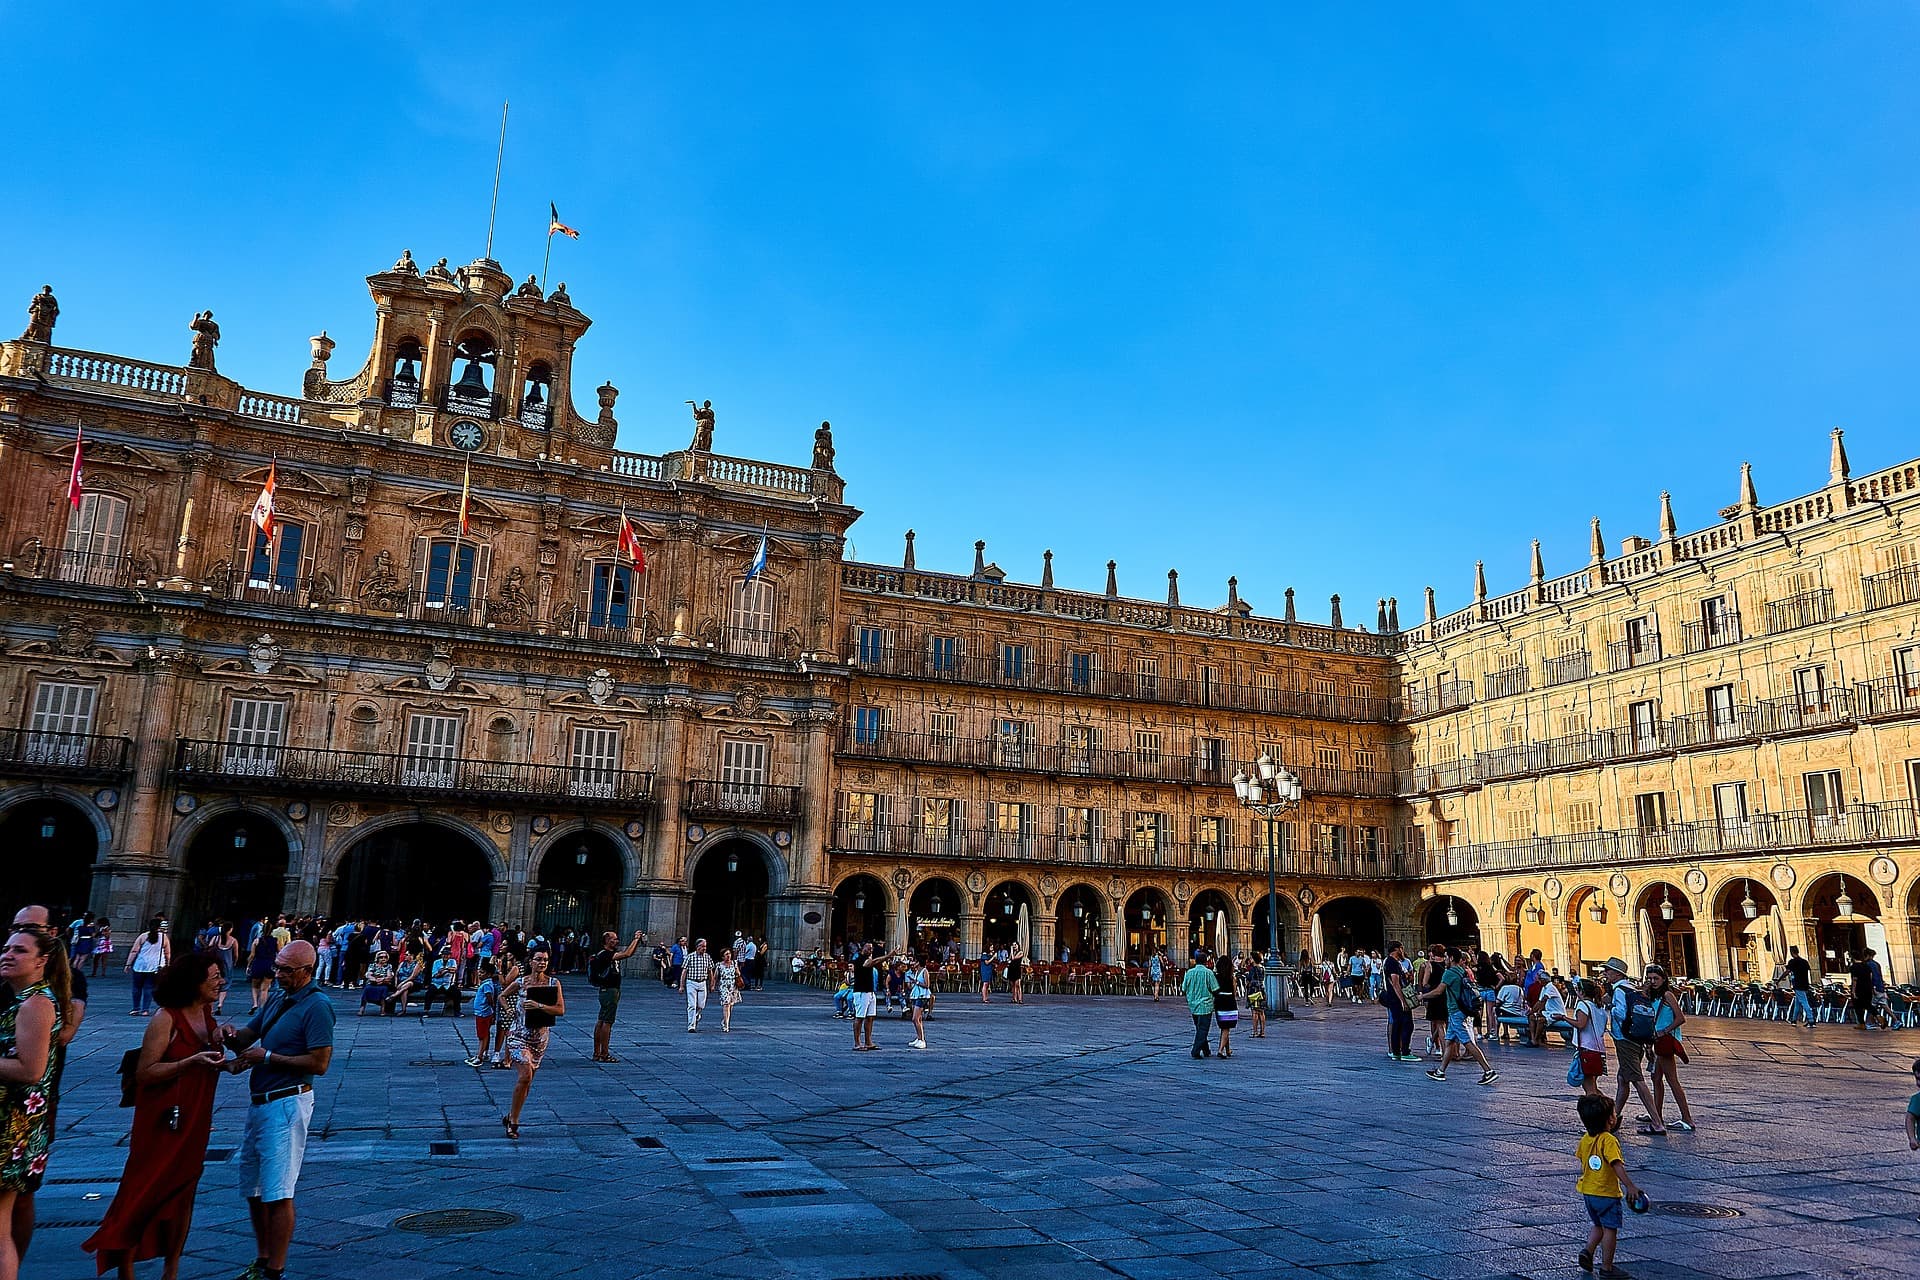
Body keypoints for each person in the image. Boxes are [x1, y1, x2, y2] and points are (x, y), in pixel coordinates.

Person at [85, 954, 231, 1280]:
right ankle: (125, 1266)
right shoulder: (166, 1019)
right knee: (144, 1191)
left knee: (183, 1194)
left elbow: (210, 1062)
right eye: (214, 976)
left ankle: (171, 1270)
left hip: (195, 1118)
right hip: (163, 1121)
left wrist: (233, 1058)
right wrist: (189, 1063)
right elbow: (146, 1072)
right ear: (193, 983)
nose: (220, 981)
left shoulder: (208, 1016)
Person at [220, 939, 333, 1280]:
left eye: (287, 970)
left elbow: (320, 1063)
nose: (279, 974)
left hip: (287, 1103)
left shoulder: (318, 1006)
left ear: (307, 972)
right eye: (278, 967)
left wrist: (266, 1057)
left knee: (278, 1191)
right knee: (254, 1190)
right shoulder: (279, 997)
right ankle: (262, 1257)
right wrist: (227, 1035)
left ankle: (275, 1269)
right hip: (260, 1103)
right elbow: (247, 1036)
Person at [0, 926, 71, 1280]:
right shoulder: (23, 1000)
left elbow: (31, 1068)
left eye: (20, 950)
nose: (8, 954)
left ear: (43, 961)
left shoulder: (35, 1004)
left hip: (11, 1127)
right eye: (6, 948)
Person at [1575, 1094, 1646, 1277]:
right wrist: (1630, 1186)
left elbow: (1583, 1159)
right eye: (1614, 1113)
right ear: (1611, 1119)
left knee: (1598, 1225)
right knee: (1610, 1229)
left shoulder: (1585, 1139)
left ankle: (1588, 1251)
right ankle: (1607, 1268)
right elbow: (1616, 1165)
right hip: (1606, 1193)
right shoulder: (1608, 1140)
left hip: (1588, 1192)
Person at [500, 950, 563, 1140]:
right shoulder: (520, 982)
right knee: (525, 1075)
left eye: (545, 959)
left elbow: (560, 1010)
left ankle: (511, 1114)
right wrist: (509, 1009)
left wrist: (539, 1006)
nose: (542, 962)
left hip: (540, 1038)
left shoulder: (553, 983)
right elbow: (502, 995)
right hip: (518, 1035)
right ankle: (514, 1123)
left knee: (527, 1081)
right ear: (531, 962)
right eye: (538, 959)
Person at [1603, 958, 1665, 1135]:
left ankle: (1657, 1122)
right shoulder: (1631, 988)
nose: (1605, 973)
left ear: (1617, 974)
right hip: (1636, 1038)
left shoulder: (1620, 991)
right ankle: (1613, 1118)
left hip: (1624, 1039)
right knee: (1623, 1079)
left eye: (1608, 970)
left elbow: (1621, 1014)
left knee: (1637, 1080)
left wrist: (1611, 1005)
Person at [1421, 947, 1497, 1086]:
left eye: (1446, 956)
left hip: (1456, 1012)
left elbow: (1438, 991)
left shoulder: (1449, 973)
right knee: (1449, 1041)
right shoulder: (1462, 971)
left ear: (1451, 958)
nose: (1444, 959)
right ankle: (1440, 1071)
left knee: (1467, 1042)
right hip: (1462, 1011)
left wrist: (1423, 996)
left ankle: (1488, 1071)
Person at [1643, 967, 1695, 1133]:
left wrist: (1665, 1030)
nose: (1652, 981)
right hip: (1657, 1041)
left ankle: (1687, 1118)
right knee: (1656, 1078)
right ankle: (1656, 1115)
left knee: (1672, 1080)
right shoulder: (1653, 996)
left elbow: (1680, 1018)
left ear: (1664, 979)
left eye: (1656, 978)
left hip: (1665, 1040)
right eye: (1650, 978)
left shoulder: (1667, 995)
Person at [587, 929, 646, 1063]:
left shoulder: (605, 954)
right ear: (607, 941)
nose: (617, 941)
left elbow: (627, 953)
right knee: (607, 1022)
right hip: (609, 991)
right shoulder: (605, 954)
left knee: (601, 1020)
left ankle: (597, 1053)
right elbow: (627, 954)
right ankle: (604, 1053)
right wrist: (636, 939)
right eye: (614, 939)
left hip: (607, 990)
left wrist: (636, 942)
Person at [1570, 978, 1609, 1096]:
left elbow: (1581, 1024)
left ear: (1581, 991)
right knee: (1593, 1087)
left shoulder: (1583, 1005)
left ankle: (1605, 1112)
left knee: (1590, 1090)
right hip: (1598, 1050)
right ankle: (1610, 1111)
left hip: (1587, 1049)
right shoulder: (1599, 1007)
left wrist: (1563, 1018)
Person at [126, 919, 170, 1017]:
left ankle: (135, 1008)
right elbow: (167, 952)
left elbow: (134, 951)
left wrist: (128, 964)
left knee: (136, 987)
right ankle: (145, 1010)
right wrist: (168, 963)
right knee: (149, 987)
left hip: (140, 965)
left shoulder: (143, 936)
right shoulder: (163, 937)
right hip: (155, 966)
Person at [1381, 941, 1416, 1061]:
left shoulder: (1392, 962)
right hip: (1396, 998)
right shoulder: (1392, 963)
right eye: (1402, 948)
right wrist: (1403, 1001)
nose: (1403, 951)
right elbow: (1396, 983)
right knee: (1407, 1024)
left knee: (1398, 1024)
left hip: (1394, 998)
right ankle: (1404, 1052)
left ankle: (1396, 1052)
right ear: (1396, 949)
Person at [1182, 950, 1218, 1059]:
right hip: (1205, 1005)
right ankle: (1195, 1051)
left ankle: (1206, 1050)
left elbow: (1183, 988)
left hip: (1193, 1005)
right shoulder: (1208, 973)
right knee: (1203, 1029)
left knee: (1200, 1028)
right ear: (1206, 961)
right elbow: (1215, 988)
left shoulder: (1189, 972)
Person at [466, 961, 499, 1068]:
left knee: (482, 1035)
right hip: (483, 1012)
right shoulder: (486, 984)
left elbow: (489, 998)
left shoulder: (487, 985)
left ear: (489, 974)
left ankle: (479, 1056)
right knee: (485, 1033)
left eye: (482, 972)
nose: (480, 974)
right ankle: (483, 1053)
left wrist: (492, 1008)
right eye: (479, 972)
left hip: (483, 1013)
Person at [1417, 945, 1448, 1057]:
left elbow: (1425, 983)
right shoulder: (1448, 964)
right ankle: (1446, 1049)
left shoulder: (1429, 965)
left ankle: (1442, 1049)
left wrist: (1430, 989)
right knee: (1446, 1023)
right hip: (1447, 995)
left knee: (1438, 1024)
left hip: (1435, 996)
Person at [680, 938, 714, 1033]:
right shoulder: (690, 957)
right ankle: (691, 1026)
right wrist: (681, 985)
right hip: (691, 982)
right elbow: (684, 971)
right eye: (702, 946)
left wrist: (712, 984)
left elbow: (710, 971)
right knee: (691, 1005)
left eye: (705, 946)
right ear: (697, 947)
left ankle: (696, 1016)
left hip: (702, 983)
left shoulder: (707, 957)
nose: (704, 948)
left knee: (701, 1005)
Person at [850, 943, 880, 1050]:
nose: (870, 950)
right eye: (868, 948)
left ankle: (868, 1041)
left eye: (872, 948)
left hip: (870, 991)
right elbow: (873, 962)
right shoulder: (859, 959)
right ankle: (857, 1043)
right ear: (862, 948)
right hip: (861, 991)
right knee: (860, 1017)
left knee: (870, 1017)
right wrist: (889, 955)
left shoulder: (868, 959)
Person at [243, 921, 276, 1015]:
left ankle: (254, 1004)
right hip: (269, 964)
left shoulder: (257, 940)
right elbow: (280, 952)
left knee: (255, 986)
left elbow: (252, 955)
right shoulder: (275, 940)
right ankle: (262, 1008)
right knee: (265, 989)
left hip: (258, 964)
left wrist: (248, 965)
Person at [1784, 946, 1816, 1027]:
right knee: (1797, 1002)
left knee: (1804, 1002)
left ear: (1791, 952)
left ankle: (1811, 1020)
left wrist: (1780, 979)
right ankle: (1794, 1020)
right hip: (1805, 984)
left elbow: (1787, 971)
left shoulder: (1792, 962)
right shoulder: (1805, 962)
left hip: (1798, 984)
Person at [1213, 954, 1238, 1057]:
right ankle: (1220, 1050)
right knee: (1226, 1028)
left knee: (1224, 1027)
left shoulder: (1216, 977)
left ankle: (1228, 1050)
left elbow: (1214, 989)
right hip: (1229, 1001)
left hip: (1219, 1001)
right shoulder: (1231, 977)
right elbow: (1234, 990)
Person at [906, 954, 932, 1049]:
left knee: (915, 1018)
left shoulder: (925, 971)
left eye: (915, 961)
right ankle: (919, 1037)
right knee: (918, 1018)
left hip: (922, 996)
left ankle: (922, 1040)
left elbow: (927, 984)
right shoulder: (917, 971)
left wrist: (916, 982)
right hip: (916, 995)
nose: (913, 963)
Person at [714, 947, 742, 1032]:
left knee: (730, 1005)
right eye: (726, 954)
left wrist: (737, 970)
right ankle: (726, 1025)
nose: (728, 956)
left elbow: (738, 974)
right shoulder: (719, 965)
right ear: (722, 956)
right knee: (726, 1004)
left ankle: (724, 1020)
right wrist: (712, 985)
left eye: (729, 954)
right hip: (724, 986)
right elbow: (715, 976)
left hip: (733, 986)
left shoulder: (734, 963)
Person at [1848, 948, 1877, 1029]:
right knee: (1868, 1005)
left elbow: (1855, 979)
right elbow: (1871, 977)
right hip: (1868, 988)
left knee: (1858, 1006)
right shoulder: (1866, 966)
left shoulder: (1854, 967)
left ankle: (1861, 1023)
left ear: (1852, 958)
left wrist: (1853, 991)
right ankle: (1878, 1016)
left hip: (1859, 989)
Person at [357, 952, 394, 1016]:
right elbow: (369, 974)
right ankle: (362, 1008)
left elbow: (389, 976)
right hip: (373, 982)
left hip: (383, 983)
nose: (383, 959)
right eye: (381, 957)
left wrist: (382, 979)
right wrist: (375, 980)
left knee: (384, 989)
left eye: (385, 957)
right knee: (367, 989)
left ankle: (382, 1009)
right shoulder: (373, 965)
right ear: (377, 958)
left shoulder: (388, 966)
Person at [1245, 952, 1268, 1038]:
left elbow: (1249, 980)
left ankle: (1254, 1032)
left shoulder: (1253, 969)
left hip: (1254, 991)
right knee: (1261, 1012)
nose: (1250, 959)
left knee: (1254, 1012)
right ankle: (1262, 1032)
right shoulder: (1263, 968)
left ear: (1254, 959)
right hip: (1261, 990)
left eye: (1251, 958)